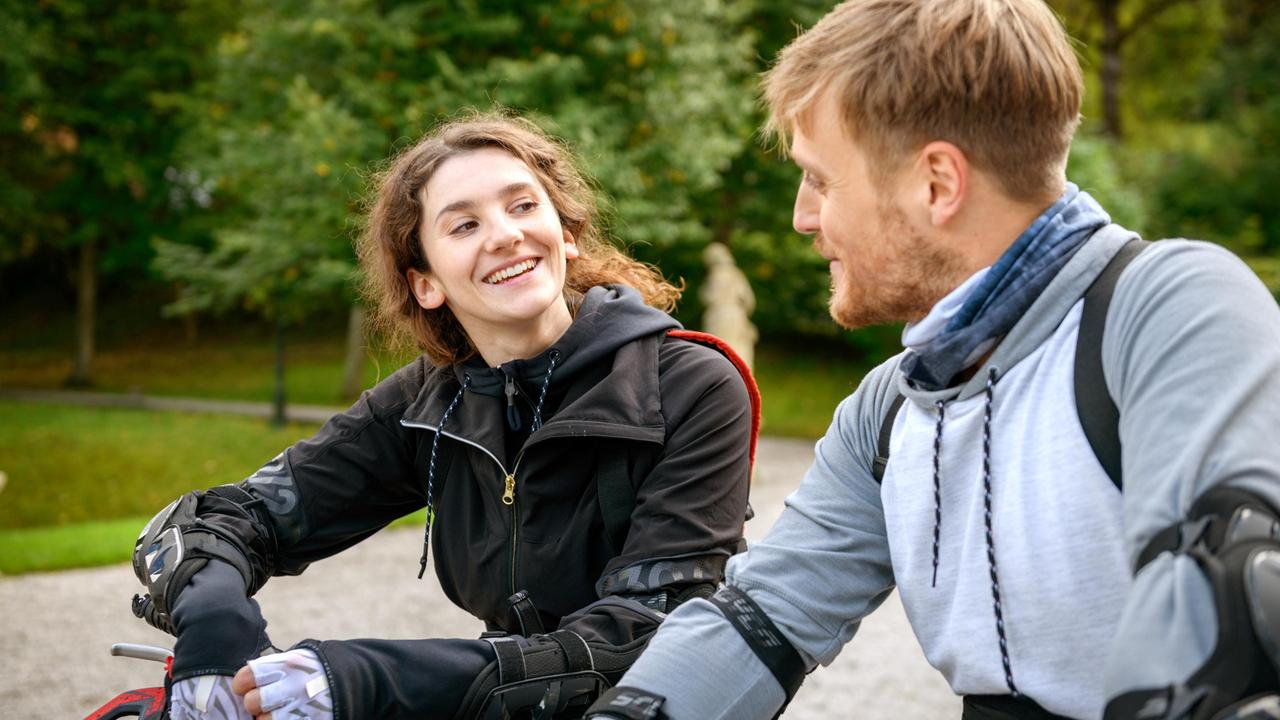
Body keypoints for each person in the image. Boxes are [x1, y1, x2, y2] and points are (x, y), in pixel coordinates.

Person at [584, 1, 1280, 719]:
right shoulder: (890, 405)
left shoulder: (1166, 307)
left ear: (937, 184)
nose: (802, 215)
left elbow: (1224, 602)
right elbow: (758, 620)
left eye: (820, 179)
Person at [129, 114, 754, 720]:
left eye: (523, 206)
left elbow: (653, 631)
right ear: (425, 283)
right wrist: (215, 631)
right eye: (463, 226)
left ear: (567, 234)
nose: (505, 233)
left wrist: (365, 681)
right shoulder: (429, 401)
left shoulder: (690, 386)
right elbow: (218, 522)